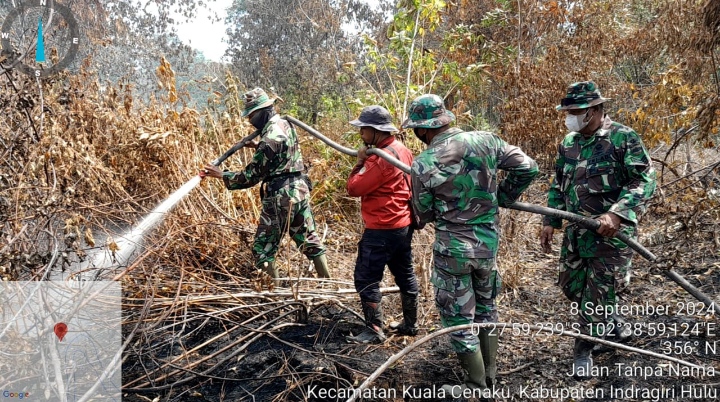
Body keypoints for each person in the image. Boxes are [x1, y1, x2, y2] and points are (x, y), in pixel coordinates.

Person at [403, 94, 538, 395]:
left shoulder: (424, 164)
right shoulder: (486, 140)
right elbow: (528, 167)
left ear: (423, 129)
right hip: (487, 246)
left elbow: (422, 214)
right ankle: (490, 379)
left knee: (459, 320)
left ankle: (476, 388)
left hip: (453, 252)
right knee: (487, 308)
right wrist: (503, 196)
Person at [540, 81, 656, 379]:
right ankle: (612, 321)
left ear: (593, 111)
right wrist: (550, 220)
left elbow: (644, 181)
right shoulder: (569, 142)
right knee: (570, 285)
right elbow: (559, 182)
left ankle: (584, 347)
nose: (568, 116)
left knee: (596, 295)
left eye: (574, 111)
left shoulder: (623, 138)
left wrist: (618, 213)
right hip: (576, 234)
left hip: (611, 238)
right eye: (567, 111)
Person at [202, 88, 330, 279]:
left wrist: (221, 175)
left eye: (252, 115)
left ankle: (276, 296)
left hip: (281, 196)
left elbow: (251, 176)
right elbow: (282, 150)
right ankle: (327, 283)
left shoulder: (269, 138)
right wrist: (258, 145)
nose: (249, 120)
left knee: (263, 249)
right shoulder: (285, 125)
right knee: (309, 240)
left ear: (264, 111)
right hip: (299, 189)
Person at [344, 105, 419, 344]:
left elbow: (354, 188)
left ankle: (374, 330)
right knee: (404, 272)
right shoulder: (402, 150)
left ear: (376, 131)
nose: (361, 135)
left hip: (382, 227)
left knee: (366, 277)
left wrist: (359, 162)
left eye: (364, 130)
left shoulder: (379, 159)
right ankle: (410, 324)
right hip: (402, 225)